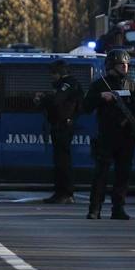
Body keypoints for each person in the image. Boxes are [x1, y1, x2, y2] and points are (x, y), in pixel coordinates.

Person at [82, 48, 135, 220]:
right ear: (111, 65)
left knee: (123, 175)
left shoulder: (132, 85)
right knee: (101, 174)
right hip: (106, 136)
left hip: (127, 137)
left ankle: (118, 208)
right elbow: (86, 107)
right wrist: (101, 97)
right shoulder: (100, 84)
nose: (125, 68)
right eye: (121, 64)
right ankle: (95, 209)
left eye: (127, 64)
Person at [36, 59, 82, 204]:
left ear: (60, 73)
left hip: (64, 126)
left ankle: (65, 193)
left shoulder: (68, 84)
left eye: (54, 73)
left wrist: (43, 98)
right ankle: (60, 192)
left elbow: (57, 100)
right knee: (59, 161)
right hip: (58, 126)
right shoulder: (64, 84)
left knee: (63, 162)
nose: (52, 76)